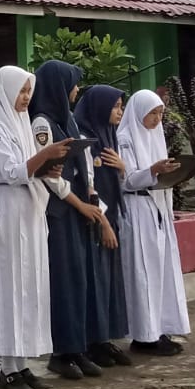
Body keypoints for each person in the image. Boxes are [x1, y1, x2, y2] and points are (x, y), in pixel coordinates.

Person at [0, 65, 70, 389]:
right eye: (21, 91)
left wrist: (50, 165)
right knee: (9, 284)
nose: (26, 98)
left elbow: (31, 167)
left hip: (30, 207)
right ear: (4, 91)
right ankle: (5, 364)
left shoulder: (20, 122)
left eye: (29, 91)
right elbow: (10, 170)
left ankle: (21, 362)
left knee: (28, 283)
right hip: (7, 207)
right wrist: (44, 156)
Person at [29, 60, 114, 383]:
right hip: (61, 212)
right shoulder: (43, 122)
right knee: (64, 280)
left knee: (80, 277)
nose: (77, 90)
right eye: (73, 84)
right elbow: (52, 177)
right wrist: (80, 205)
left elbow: (84, 167)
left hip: (80, 208)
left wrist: (91, 196)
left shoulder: (69, 121)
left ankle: (78, 346)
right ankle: (62, 351)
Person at [118, 89, 190, 357]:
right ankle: (143, 335)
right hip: (137, 208)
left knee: (161, 270)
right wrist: (154, 171)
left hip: (158, 206)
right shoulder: (124, 138)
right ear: (138, 112)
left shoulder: (155, 135)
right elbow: (126, 180)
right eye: (152, 113)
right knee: (143, 273)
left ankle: (159, 328)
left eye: (161, 113)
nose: (157, 118)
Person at [73, 85, 133, 370]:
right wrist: (105, 222)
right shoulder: (85, 139)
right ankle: (92, 341)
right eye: (115, 106)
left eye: (121, 106)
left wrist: (122, 168)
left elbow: (117, 183)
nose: (119, 111)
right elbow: (88, 187)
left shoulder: (110, 138)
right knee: (96, 280)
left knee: (110, 279)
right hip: (95, 221)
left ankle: (106, 337)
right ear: (98, 107)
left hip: (110, 220)